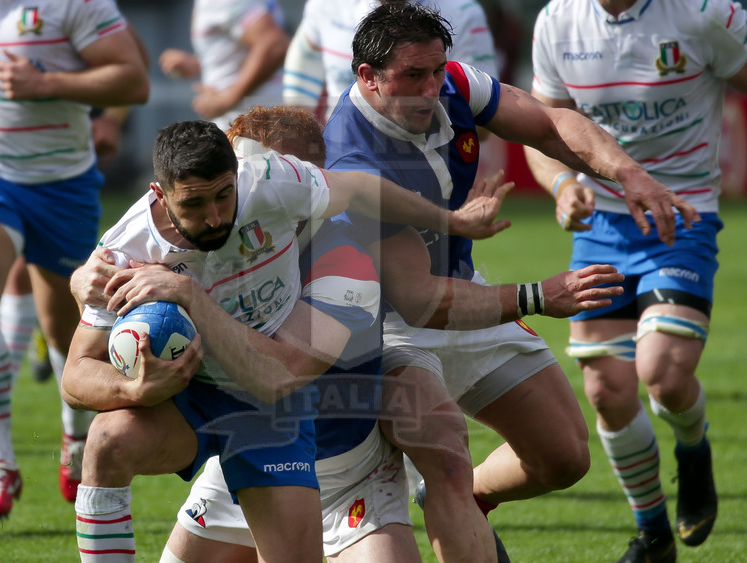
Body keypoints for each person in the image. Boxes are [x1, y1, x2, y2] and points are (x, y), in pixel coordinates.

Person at [68, 106, 624, 563]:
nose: (217, 216)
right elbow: (76, 374)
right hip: (219, 411)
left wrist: (463, 233)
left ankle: (444, 502)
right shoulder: (133, 248)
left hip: (302, 428)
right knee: (108, 439)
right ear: (162, 195)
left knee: (443, 437)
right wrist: (132, 387)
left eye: (225, 195)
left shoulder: (336, 246)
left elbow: (280, 374)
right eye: (196, 203)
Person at [320, 1, 701, 556]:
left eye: (436, 71)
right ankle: (448, 495)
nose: (431, 89)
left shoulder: (450, 82)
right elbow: (419, 301)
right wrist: (538, 297)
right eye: (413, 77)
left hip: (460, 290)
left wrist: (628, 174)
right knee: (448, 456)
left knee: (564, 456)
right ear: (368, 78)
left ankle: (455, 499)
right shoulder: (352, 160)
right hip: (384, 331)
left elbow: (547, 122)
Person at [524, 1, 747, 560]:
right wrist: (560, 186)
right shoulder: (557, 21)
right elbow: (541, 129)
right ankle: (652, 535)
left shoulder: (703, 13)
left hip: (682, 216)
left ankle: (693, 451)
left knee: (663, 374)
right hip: (603, 227)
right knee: (606, 389)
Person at [0, 0, 149, 520]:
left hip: (62, 185)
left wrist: (45, 84)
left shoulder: (75, 5)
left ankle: (74, 436)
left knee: (66, 333)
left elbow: (133, 80)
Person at [282, 0, 497, 120]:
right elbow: (304, 61)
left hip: (427, 163)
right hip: (343, 161)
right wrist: (302, 137)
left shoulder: (464, 12)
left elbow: (481, 115)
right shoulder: (326, 6)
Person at [159, 0, 290, 129]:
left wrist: (227, 100)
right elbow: (242, 52)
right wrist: (198, 64)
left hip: (248, 123)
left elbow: (274, 45)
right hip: (251, 120)